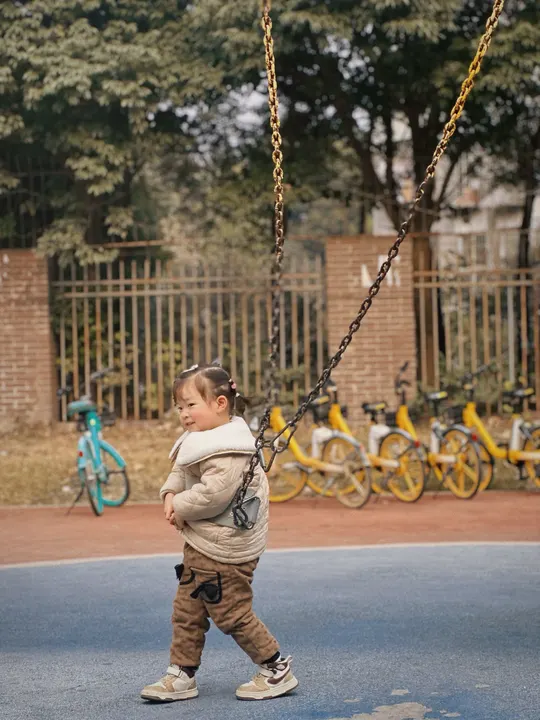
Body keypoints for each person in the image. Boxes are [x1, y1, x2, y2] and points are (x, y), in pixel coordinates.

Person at [141, 363, 298, 702]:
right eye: (179, 407)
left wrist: (179, 505)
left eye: (190, 405)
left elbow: (213, 495)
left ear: (220, 403)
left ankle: (275, 668)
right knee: (187, 611)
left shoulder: (229, 449)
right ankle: (182, 673)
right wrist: (170, 492)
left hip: (225, 550)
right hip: (201, 544)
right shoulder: (200, 439)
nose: (184, 414)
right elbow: (181, 469)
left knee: (231, 612)